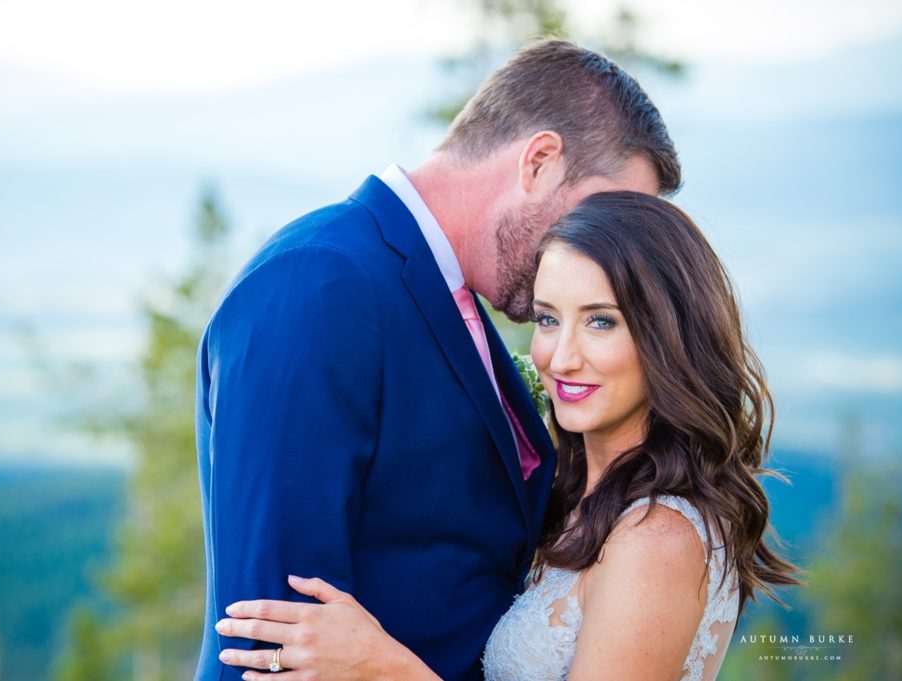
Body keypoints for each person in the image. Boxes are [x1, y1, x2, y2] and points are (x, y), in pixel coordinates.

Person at [193, 39, 681, 681]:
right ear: (538, 161)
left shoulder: (455, 301)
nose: (608, 257)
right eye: (601, 214)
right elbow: (273, 638)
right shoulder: (320, 282)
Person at [214, 192, 801, 680]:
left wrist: (383, 665)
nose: (560, 357)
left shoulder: (658, 538)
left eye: (601, 321)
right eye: (548, 319)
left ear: (668, 336)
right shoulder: (577, 500)